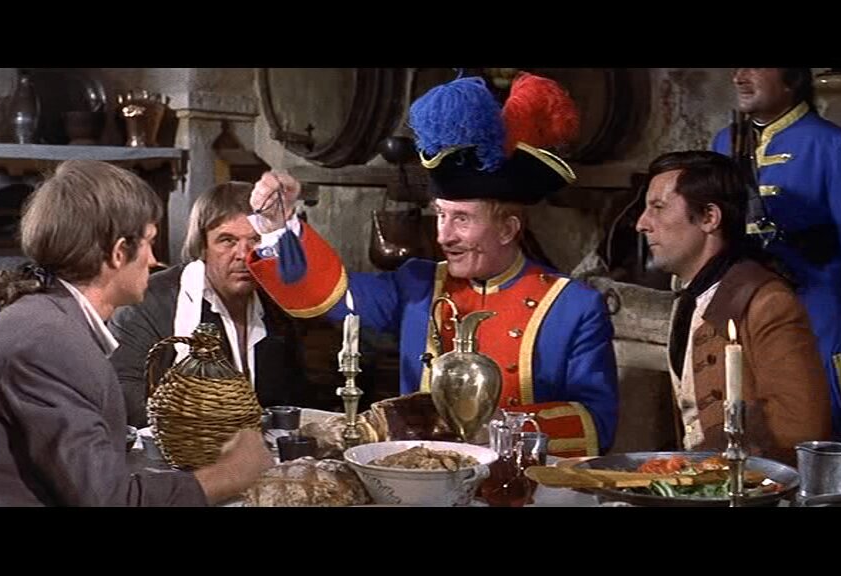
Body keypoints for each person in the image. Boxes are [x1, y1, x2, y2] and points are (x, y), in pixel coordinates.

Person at [245, 73, 619, 457]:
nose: (443, 236)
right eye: (440, 215)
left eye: (462, 219)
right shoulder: (418, 284)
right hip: (424, 477)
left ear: (508, 229)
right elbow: (329, 296)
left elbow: (596, 422)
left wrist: (498, 427)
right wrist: (280, 227)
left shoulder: (573, 306)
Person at [0, 160, 273, 506]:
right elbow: (109, 500)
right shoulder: (48, 340)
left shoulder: (50, 319)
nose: (154, 260)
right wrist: (230, 474)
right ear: (119, 252)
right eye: (149, 243)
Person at [712, 68, 841, 457]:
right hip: (744, 312)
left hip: (817, 314)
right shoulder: (725, 142)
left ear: (791, 78)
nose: (739, 77)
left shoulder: (833, 146)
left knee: (822, 434)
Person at [635, 150, 831, 464]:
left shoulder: (766, 303)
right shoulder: (690, 296)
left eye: (658, 207)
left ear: (709, 218)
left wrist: (705, 465)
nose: (641, 224)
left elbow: (800, 428)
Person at [109, 182, 310, 428]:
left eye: (256, 240)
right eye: (227, 240)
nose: (243, 254)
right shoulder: (147, 301)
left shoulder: (279, 306)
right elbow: (125, 398)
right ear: (202, 246)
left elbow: (292, 397)